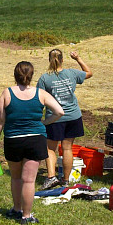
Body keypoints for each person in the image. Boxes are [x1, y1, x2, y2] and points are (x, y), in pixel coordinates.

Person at [0, 61, 64, 225]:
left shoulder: (7, 93)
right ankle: (27, 215)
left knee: (16, 178)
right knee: (29, 180)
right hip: (35, 139)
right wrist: (45, 123)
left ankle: (17, 209)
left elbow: (0, 120)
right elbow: (60, 111)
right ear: (31, 76)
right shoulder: (41, 93)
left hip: (13, 139)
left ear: (15, 75)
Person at [37, 49, 93, 190]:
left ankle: (51, 177)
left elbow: (39, 100)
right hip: (73, 116)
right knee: (67, 148)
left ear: (49, 60)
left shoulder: (45, 78)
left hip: (54, 118)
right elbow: (89, 73)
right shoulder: (72, 73)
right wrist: (78, 58)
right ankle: (66, 180)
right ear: (62, 60)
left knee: (50, 149)